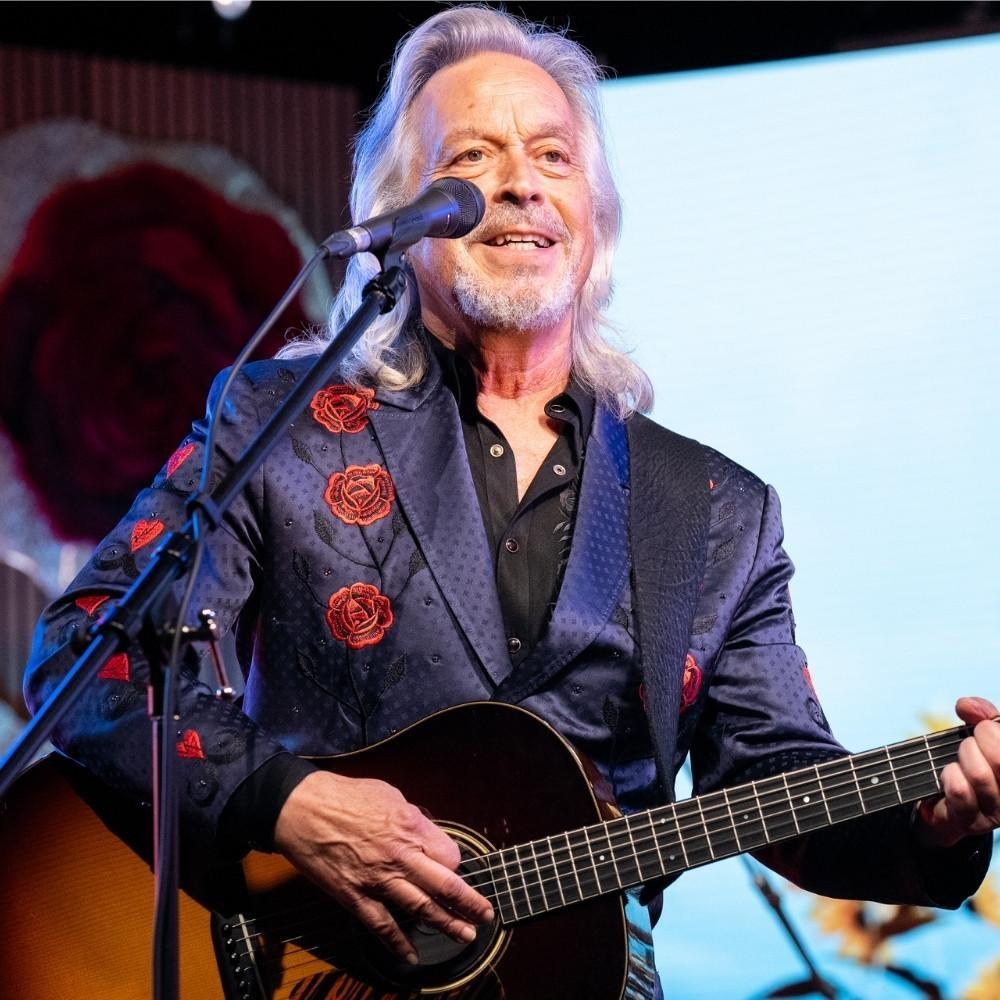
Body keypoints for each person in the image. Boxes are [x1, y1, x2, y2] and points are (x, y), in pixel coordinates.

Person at [23, 6, 998, 995]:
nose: (521, 180)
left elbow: (776, 783)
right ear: (403, 219)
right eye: (475, 155)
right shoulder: (284, 425)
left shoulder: (714, 510)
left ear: (595, 215)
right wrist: (289, 804)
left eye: (552, 155)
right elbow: (87, 654)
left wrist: (932, 817)